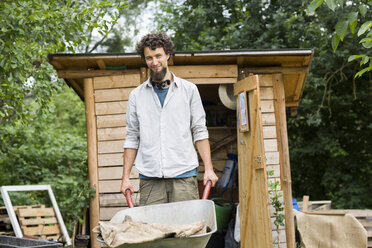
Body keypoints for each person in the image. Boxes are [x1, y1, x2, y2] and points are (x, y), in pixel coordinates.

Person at [120, 32, 218, 205]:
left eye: (158, 56)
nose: (154, 62)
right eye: (149, 58)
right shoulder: (136, 96)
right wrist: (125, 177)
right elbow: (132, 137)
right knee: (153, 229)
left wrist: (209, 169)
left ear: (168, 55)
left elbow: (199, 131)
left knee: (186, 229)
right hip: (150, 179)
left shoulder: (189, 90)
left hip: (184, 176)